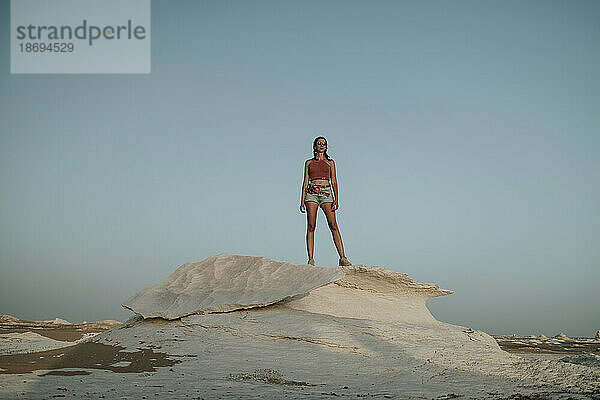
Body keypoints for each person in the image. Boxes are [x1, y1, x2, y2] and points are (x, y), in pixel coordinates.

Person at [300, 137, 352, 267]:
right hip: (312, 193)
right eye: (319, 143)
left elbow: (334, 180)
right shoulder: (308, 162)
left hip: (326, 193)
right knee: (311, 226)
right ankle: (311, 259)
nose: (322, 145)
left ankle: (343, 258)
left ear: (326, 147)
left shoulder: (330, 162)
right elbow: (305, 181)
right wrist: (302, 200)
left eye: (324, 144)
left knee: (333, 224)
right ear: (315, 146)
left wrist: (336, 198)